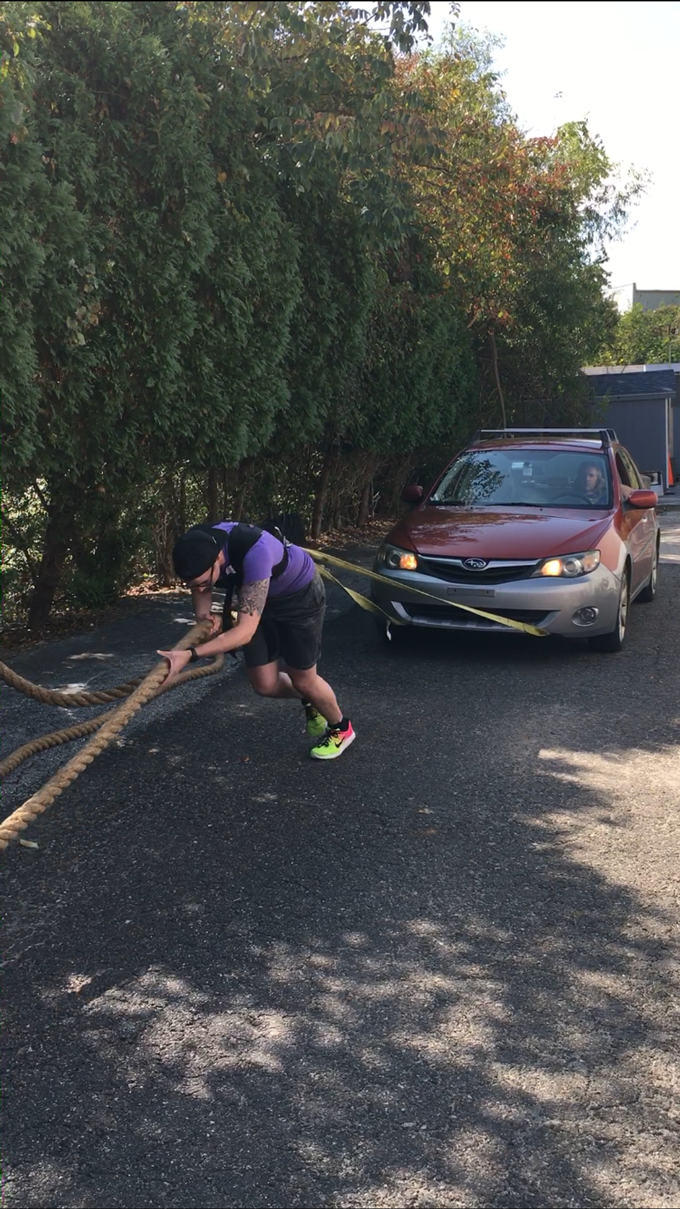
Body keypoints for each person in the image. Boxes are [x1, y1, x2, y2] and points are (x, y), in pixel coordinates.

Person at [157, 521, 355, 760]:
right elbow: (201, 588)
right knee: (265, 684)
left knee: (303, 679)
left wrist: (190, 654)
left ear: (218, 557)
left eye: (204, 582)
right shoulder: (196, 544)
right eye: (193, 584)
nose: (200, 587)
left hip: (299, 598)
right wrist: (203, 616)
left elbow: (244, 633)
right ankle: (312, 701)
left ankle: (341, 729)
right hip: (258, 599)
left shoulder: (256, 551)